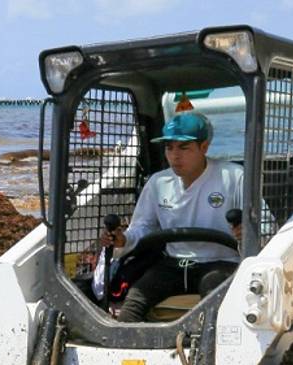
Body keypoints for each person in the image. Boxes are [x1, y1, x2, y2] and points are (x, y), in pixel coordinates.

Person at [99, 111, 243, 322]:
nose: (175, 156)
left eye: (183, 148)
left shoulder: (235, 178)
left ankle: (208, 343)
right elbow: (143, 226)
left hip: (221, 263)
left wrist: (245, 232)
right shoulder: (158, 182)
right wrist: (123, 240)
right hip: (173, 264)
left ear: (204, 147)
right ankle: (122, 343)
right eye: (169, 147)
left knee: (213, 303)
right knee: (133, 303)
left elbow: (266, 227)